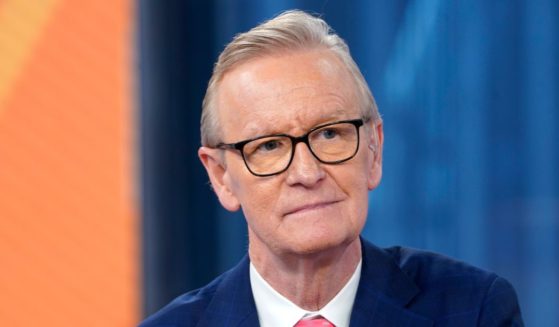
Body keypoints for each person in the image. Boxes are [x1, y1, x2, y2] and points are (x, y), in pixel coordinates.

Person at [139, 10, 523, 327]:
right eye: (269, 146)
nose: (307, 173)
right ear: (221, 177)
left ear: (374, 151)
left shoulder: (474, 310)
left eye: (330, 135)